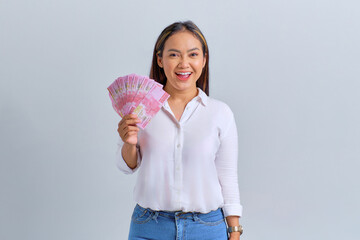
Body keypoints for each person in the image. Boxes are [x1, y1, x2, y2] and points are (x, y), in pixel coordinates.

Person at [116, 21, 243, 240]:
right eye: (174, 55)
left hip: (207, 228)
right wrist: (129, 142)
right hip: (149, 227)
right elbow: (128, 166)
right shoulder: (141, 109)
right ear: (160, 59)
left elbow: (228, 177)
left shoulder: (220, 113)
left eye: (193, 55)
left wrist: (234, 231)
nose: (184, 64)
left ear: (204, 60)